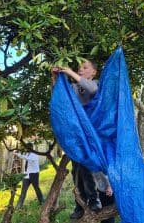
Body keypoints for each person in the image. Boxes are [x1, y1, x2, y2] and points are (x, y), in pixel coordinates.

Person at [52, 61, 103, 219]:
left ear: (94, 72)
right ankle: (80, 204)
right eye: (79, 68)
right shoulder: (73, 88)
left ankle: (94, 199)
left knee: (88, 166)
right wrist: (55, 77)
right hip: (76, 135)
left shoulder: (96, 83)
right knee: (77, 170)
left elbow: (92, 90)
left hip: (92, 134)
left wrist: (70, 73)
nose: (80, 70)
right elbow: (61, 95)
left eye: (85, 67)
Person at [13, 143, 44, 209]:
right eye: (25, 148)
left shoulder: (34, 155)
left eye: (27, 148)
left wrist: (17, 154)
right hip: (26, 175)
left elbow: (26, 157)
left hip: (34, 174)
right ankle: (19, 206)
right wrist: (17, 152)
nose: (25, 149)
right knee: (23, 191)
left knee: (36, 188)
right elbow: (24, 155)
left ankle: (42, 202)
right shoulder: (27, 154)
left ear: (30, 148)